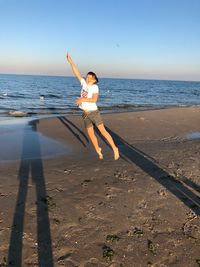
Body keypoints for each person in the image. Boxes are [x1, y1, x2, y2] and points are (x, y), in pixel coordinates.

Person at [66, 52, 119, 160]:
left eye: (90, 78)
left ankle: (114, 148)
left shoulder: (94, 87)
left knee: (103, 132)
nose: (88, 78)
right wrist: (70, 61)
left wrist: (82, 99)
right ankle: (98, 150)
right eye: (87, 77)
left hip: (94, 113)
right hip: (85, 114)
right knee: (91, 135)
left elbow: (94, 99)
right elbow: (76, 73)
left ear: (94, 79)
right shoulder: (84, 84)